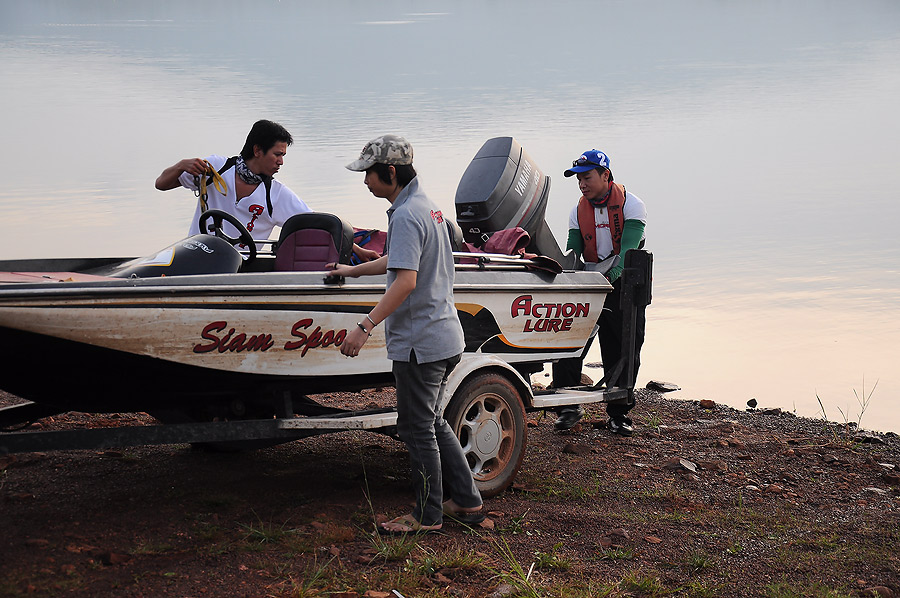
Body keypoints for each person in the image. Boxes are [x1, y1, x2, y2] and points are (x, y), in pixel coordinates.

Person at [329, 135, 484, 534]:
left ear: (390, 173)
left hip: (422, 344)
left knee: (417, 429)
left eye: (369, 174)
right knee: (433, 422)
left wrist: (364, 327)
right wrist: (354, 269)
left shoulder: (405, 214)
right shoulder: (425, 207)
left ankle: (426, 515)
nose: (365, 182)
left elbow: (405, 282)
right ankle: (467, 502)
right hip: (445, 337)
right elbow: (398, 259)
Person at [155, 119, 379, 260]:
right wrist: (181, 165)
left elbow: (322, 225)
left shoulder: (277, 195)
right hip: (194, 255)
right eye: (277, 154)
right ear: (258, 150)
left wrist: (359, 250)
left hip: (237, 268)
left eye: (283, 156)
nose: (281, 162)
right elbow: (161, 184)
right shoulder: (215, 168)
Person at [552, 149, 647, 436]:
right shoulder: (576, 211)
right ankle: (569, 407)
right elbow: (573, 251)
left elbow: (629, 248)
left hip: (624, 284)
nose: (582, 183)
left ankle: (619, 413)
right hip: (589, 283)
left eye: (587, 177)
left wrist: (611, 276)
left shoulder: (633, 205)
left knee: (624, 346)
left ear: (605, 175)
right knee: (569, 340)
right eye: (578, 178)